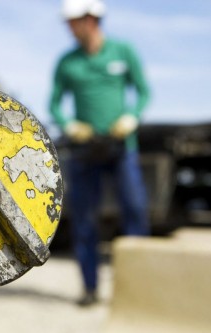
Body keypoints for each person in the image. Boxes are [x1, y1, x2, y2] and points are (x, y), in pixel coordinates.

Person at [49, 0, 151, 306]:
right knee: (84, 220)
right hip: (84, 152)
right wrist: (70, 125)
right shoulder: (67, 62)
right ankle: (90, 289)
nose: (69, 28)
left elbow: (143, 91)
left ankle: (140, 290)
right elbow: (55, 103)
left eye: (74, 21)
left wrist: (131, 116)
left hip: (121, 149)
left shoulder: (123, 52)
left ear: (91, 19)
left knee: (134, 212)